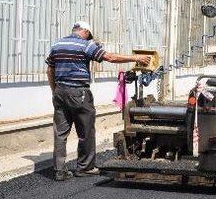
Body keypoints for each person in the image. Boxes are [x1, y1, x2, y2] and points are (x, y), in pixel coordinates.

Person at [46, 21, 151, 181]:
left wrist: (55, 91)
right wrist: (135, 57)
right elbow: (109, 57)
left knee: (60, 133)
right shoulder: (86, 45)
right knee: (86, 131)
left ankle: (59, 170)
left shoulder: (57, 44)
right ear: (86, 32)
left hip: (60, 91)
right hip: (79, 93)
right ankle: (85, 167)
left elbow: (50, 69)